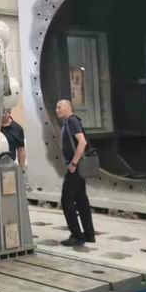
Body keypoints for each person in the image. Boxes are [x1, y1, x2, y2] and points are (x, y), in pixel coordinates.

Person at [56, 99, 95, 247]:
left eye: (59, 107)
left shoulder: (72, 121)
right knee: (81, 199)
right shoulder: (69, 121)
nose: (57, 110)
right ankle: (89, 234)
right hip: (77, 167)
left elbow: (82, 142)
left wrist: (73, 163)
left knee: (66, 201)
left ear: (68, 107)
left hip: (75, 167)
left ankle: (77, 236)